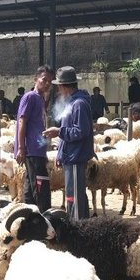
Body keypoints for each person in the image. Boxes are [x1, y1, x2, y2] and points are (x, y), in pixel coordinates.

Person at [43, 66, 94, 221]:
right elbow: (69, 131)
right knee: (73, 195)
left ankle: (78, 228)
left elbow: (80, 131)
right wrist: (60, 153)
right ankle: (81, 227)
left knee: (74, 199)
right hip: (70, 157)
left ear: (64, 86)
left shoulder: (79, 104)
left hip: (76, 158)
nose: (58, 90)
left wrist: (59, 132)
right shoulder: (72, 103)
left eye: (58, 86)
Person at [14, 67, 53, 212]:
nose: (47, 83)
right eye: (44, 79)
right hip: (31, 149)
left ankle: (28, 213)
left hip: (38, 150)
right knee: (40, 185)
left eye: (50, 81)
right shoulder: (29, 97)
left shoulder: (41, 99)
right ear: (35, 79)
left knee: (31, 185)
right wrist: (21, 148)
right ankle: (43, 215)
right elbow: (22, 121)